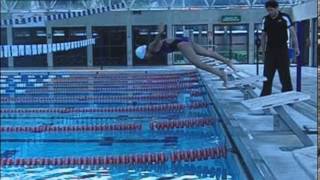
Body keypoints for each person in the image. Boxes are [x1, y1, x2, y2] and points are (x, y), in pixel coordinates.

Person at [135, 23, 236, 87]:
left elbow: (157, 39)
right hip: (184, 41)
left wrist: (159, 32)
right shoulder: (152, 49)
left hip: (181, 44)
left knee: (199, 64)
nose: (147, 59)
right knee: (207, 53)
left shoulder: (151, 47)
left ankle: (222, 74)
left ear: (145, 53)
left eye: (145, 57)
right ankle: (227, 61)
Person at [260, 0, 300, 96]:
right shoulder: (265, 19)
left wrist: (297, 48)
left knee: (285, 75)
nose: (270, 12)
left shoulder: (285, 17)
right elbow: (263, 36)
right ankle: (265, 95)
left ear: (277, 8)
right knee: (267, 75)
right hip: (270, 50)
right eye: (268, 10)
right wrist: (262, 50)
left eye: (271, 10)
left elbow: (293, 34)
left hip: (282, 49)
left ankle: (288, 95)